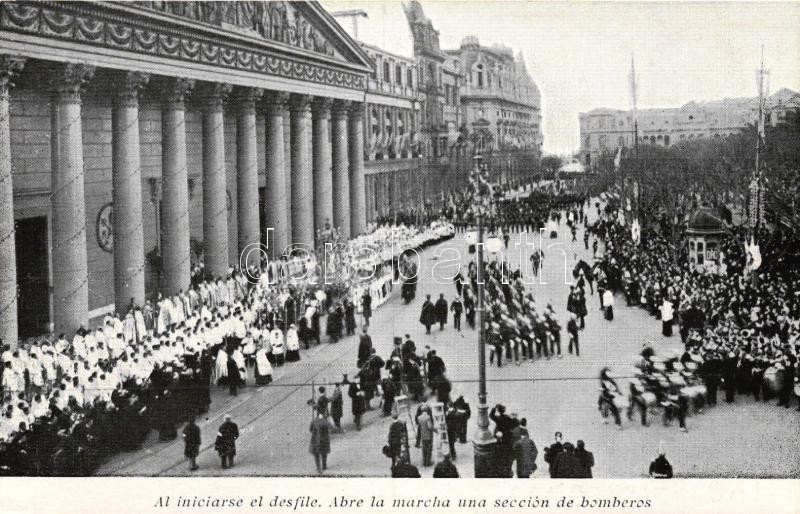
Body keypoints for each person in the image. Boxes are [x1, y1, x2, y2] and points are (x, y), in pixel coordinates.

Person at [309, 408, 331, 474]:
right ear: (324, 414)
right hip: (324, 440)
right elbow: (331, 428)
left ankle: (319, 468)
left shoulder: (314, 421)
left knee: (316, 455)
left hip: (315, 440)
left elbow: (310, 430)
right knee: (324, 453)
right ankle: (324, 465)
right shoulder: (325, 421)